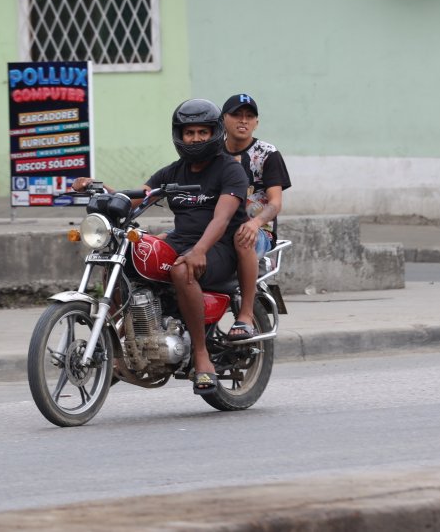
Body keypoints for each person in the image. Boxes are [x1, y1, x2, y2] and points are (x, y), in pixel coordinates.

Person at [74, 99, 249, 396]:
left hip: (218, 247)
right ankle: (122, 344)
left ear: (214, 133)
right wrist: (100, 191)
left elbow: (222, 218)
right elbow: (137, 198)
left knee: (183, 270)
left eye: (202, 132)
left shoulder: (230, 171)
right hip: (181, 242)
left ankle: (202, 356)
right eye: (189, 132)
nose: (195, 139)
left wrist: (199, 251)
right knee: (125, 259)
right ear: (179, 136)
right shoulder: (173, 172)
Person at [221, 93, 292, 340]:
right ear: (223, 120)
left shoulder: (267, 154)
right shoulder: (212, 153)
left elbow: (275, 203)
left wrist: (255, 222)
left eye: (249, 116)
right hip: (216, 227)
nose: (243, 121)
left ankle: (246, 315)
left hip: (256, 231)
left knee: (243, 236)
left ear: (256, 123)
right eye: (237, 115)